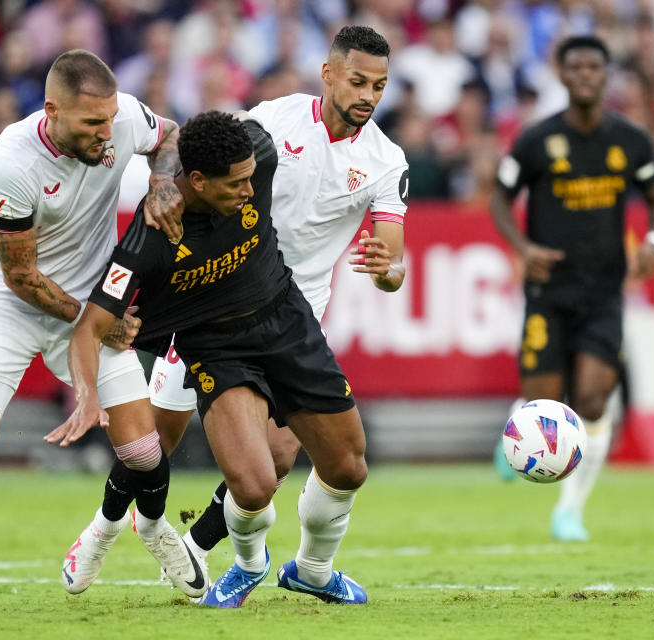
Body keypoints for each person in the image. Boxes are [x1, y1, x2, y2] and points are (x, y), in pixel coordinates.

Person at [68, 25, 407, 591]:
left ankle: (200, 548)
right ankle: (103, 526)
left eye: (379, 85)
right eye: (357, 81)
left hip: (288, 306)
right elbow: (197, 143)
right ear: (328, 75)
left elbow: (393, 259)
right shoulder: (274, 123)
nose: (368, 96)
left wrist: (388, 271)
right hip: (210, 299)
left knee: (273, 465)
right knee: (157, 442)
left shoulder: (385, 160)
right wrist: (162, 179)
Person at [46, 110, 370, 608]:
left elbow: (189, 129)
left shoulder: (255, 154)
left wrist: (161, 172)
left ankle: (311, 571)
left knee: (348, 467)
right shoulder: (149, 239)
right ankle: (245, 565)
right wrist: (88, 397)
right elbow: (89, 328)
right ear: (196, 180)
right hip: (216, 349)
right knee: (253, 484)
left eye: (249, 179)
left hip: (286, 321)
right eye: (235, 184)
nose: (250, 190)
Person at [0, 49, 200, 613]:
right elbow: (22, 276)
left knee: (145, 452)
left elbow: (170, 133)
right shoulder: (12, 161)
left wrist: (160, 176)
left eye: (110, 120)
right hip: (11, 303)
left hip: (91, 304)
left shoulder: (122, 115)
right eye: (92, 124)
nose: (108, 133)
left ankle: (151, 529)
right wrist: (100, 317)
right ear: (51, 111)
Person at [490, 35, 654, 541]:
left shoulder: (630, 141)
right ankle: (514, 432)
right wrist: (523, 248)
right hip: (548, 290)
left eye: (595, 66)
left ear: (606, 74)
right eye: (577, 67)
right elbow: (500, 200)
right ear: (563, 75)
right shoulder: (534, 140)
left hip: (604, 291)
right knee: (539, 403)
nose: (587, 74)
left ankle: (569, 511)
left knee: (592, 401)